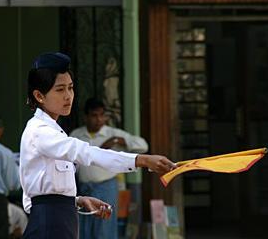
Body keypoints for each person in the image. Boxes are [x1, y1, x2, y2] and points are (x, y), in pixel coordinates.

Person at [19, 52, 176, 239]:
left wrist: (76, 201)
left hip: (61, 220)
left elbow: (43, 193)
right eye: (60, 90)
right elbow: (85, 152)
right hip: (49, 225)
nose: (68, 96)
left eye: (70, 88)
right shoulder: (39, 131)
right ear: (39, 95)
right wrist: (141, 160)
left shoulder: (53, 130)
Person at [69, 97, 148, 239]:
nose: (99, 119)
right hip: (84, 188)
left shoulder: (112, 133)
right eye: (94, 115)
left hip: (106, 187)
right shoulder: (77, 135)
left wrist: (118, 141)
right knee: (84, 228)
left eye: (102, 115)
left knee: (105, 228)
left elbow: (143, 145)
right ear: (86, 117)